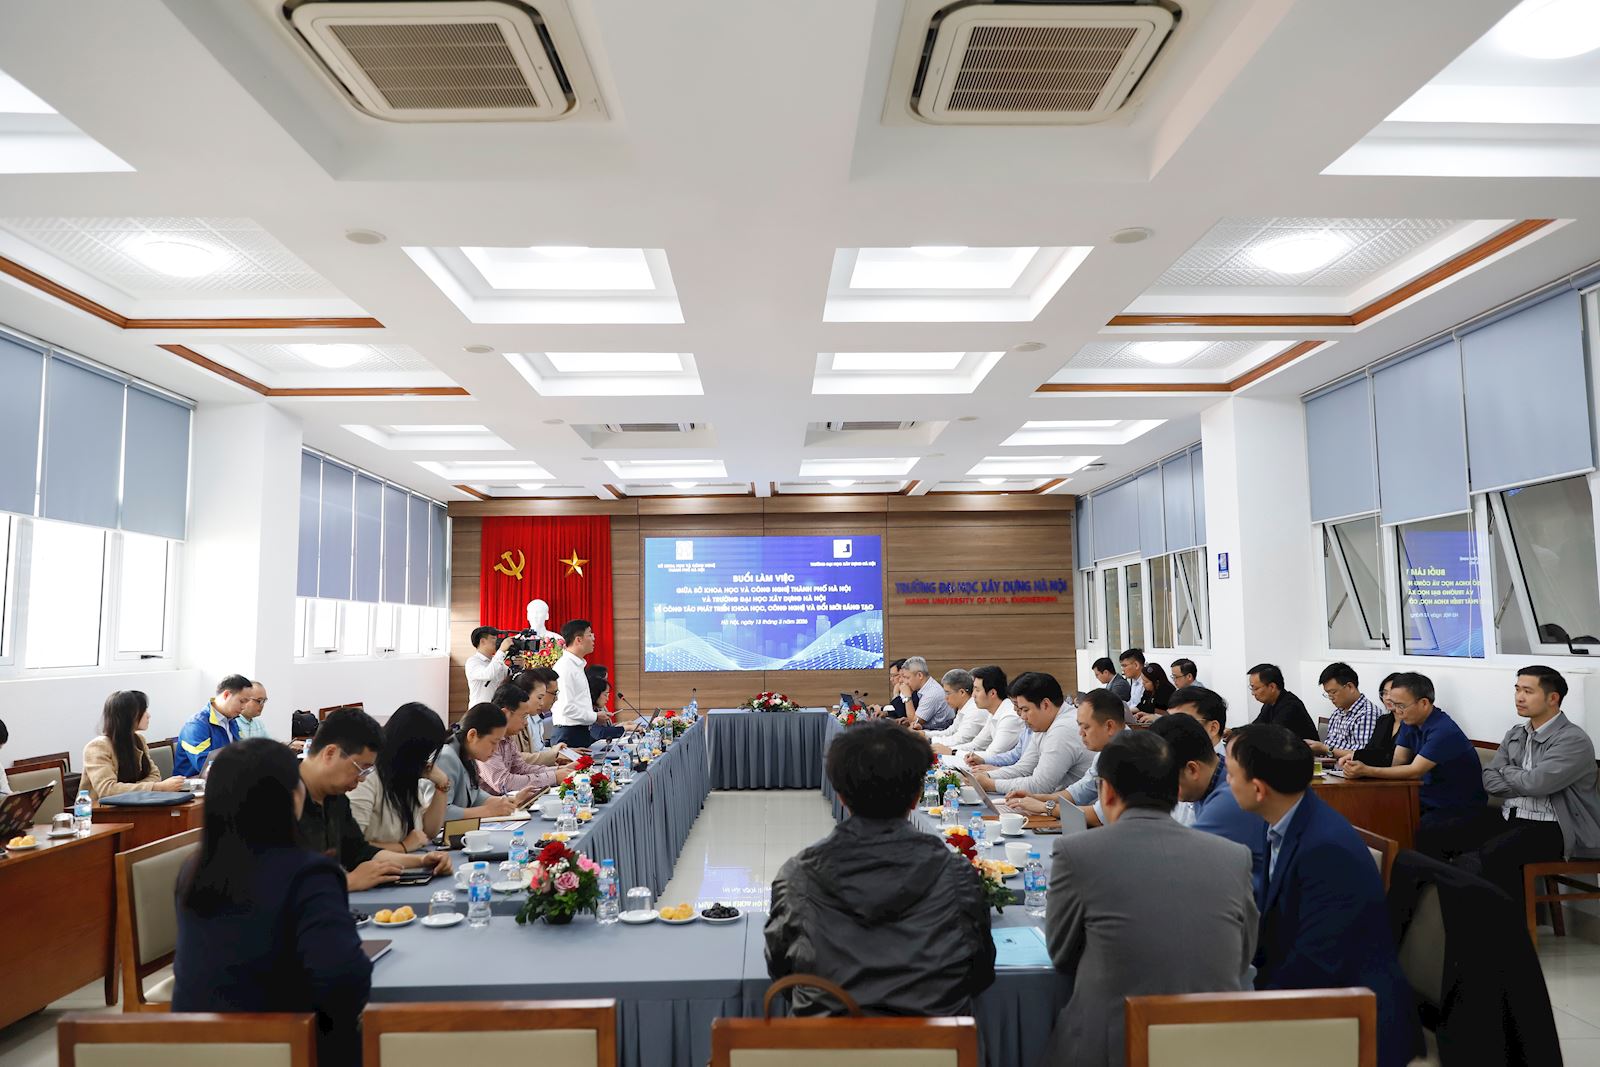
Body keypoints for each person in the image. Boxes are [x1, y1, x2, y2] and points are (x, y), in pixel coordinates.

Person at [1044, 731, 1258, 1067]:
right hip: (1213, 1046)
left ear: (1107, 791)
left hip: (1113, 1046)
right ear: (1176, 790)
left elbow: (1061, 955)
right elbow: (1243, 954)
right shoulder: (1233, 856)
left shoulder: (1077, 852)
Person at [766, 720, 995, 1015]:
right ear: (917, 796)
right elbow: (979, 972)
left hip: (828, 1039)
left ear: (840, 796)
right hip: (932, 1041)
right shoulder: (956, 875)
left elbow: (782, 972)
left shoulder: (798, 876)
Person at [173, 739, 372, 1066]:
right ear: (292, 797)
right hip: (286, 1045)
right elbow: (345, 980)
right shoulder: (308, 874)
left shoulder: (193, 871)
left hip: (197, 1047)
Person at [1229, 724, 1418, 1067]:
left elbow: (1317, 962)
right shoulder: (1281, 820)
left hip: (1352, 1017)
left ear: (1258, 789)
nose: (1226, 784)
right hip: (1311, 988)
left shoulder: (1325, 848)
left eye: (1230, 774)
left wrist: (1247, 1012)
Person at [1419, 666, 1600, 908]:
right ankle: (1440, 911)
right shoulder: (1516, 733)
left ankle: (1509, 926)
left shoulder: (1572, 740)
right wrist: (1522, 778)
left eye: (1528, 691)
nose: (1519, 697)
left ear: (1552, 698)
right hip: (1512, 816)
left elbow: (1537, 784)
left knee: (1492, 854)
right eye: (1517, 690)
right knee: (1435, 831)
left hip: (1556, 827)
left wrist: (1507, 771)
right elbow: (1490, 781)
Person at [296, 708, 450, 890]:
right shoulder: (281, 794)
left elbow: (360, 852)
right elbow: (276, 878)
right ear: (330, 753)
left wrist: (422, 861)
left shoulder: (335, 799)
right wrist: (348, 881)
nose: (362, 778)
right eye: (361, 768)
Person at [1150, 713, 1267, 904]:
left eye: (1167, 782)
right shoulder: (1216, 778)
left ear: (1192, 769)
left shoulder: (1228, 800)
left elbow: (1176, 868)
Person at [1340, 672, 1486, 826]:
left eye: (1401, 706)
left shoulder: (1443, 730)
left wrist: (1366, 770)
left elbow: (1415, 771)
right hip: (1424, 797)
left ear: (1424, 703)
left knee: (1407, 826)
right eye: (1395, 705)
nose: (1397, 711)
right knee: (1366, 808)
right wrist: (1360, 761)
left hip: (1456, 806)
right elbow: (1398, 761)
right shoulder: (1409, 722)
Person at [1005, 688, 1126, 827]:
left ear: (1109, 726)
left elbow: (1100, 816)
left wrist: (1046, 807)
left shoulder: (1129, 757)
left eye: (1086, 727)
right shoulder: (1104, 753)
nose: (1080, 733)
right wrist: (1035, 798)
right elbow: (1076, 793)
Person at [348, 703, 451, 852]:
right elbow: (351, 847)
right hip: (378, 864)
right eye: (425, 753)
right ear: (410, 751)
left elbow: (428, 832)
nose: (427, 760)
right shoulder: (367, 779)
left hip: (407, 861)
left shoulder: (405, 778)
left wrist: (442, 784)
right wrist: (403, 847)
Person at [973, 672, 1092, 796]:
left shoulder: (1063, 729)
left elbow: (1040, 785)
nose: (1022, 717)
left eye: (1026, 710)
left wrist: (991, 784)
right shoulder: (1044, 724)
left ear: (1045, 705)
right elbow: (1024, 768)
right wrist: (986, 776)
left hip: (1071, 806)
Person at [435, 702, 540, 820]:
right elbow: (439, 813)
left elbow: (475, 794)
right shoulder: (446, 758)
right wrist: (488, 811)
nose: (495, 749)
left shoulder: (468, 754)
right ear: (472, 735)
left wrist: (509, 801)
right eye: (493, 742)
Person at [83, 690, 187, 799]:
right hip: (101, 808)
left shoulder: (139, 739)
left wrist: (134, 788)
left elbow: (155, 775)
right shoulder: (98, 746)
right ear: (129, 715)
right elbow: (107, 789)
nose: (148, 715)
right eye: (144, 710)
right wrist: (157, 787)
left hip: (136, 803)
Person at [480, 685, 570, 795]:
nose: (526, 723)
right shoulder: (486, 740)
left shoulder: (507, 738)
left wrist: (559, 770)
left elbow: (521, 769)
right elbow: (504, 783)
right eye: (524, 716)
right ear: (505, 714)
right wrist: (554, 777)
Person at [173, 674, 249, 777]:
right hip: (194, 783)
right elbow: (204, 766)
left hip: (225, 779)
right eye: (242, 701)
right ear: (226, 695)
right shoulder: (196, 725)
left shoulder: (232, 721)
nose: (244, 707)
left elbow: (241, 753)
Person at [942, 666, 1022, 761]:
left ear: (992, 693)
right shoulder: (993, 712)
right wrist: (948, 750)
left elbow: (992, 755)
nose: (973, 695)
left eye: (977, 690)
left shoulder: (1009, 717)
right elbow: (976, 745)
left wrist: (952, 752)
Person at [1308, 662, 1379, 757]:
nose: (1330, 697)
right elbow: (1329, 745)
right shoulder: (1337, 713)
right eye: (1328, 694)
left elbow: (1361, 755)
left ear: (1350, 687)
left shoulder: (1367, 714)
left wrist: (1324, 749)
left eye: (1333, 692)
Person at [551, 619, 601, 746]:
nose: (593, 638)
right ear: (578, 640)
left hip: (579, 731)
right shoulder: (565, 667)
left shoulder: (577, 665)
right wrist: (595, 717)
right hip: (569, 733)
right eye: (589, 635)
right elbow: (566, 707)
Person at [1247, 664, 1317, 741]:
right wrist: (1237, 733)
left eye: (1255, 688)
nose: (1253, 693)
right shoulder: (1269, 703)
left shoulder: (1291, 706)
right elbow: (1255, 727)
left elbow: (1272, 735)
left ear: (1272, 687)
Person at [1349, 672, 1402, 768]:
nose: (1387, 698)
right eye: (1385, 693)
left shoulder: (1412, 723)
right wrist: (1354, 758)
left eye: (1392, 693)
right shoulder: (1383, 720)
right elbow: (1371, 750)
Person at [926, 670, 986, 748]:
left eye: (948, 693)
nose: (945, 698)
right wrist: (925, 734)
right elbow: (951, 732)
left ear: (962, 692)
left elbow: (959, 740)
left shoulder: (974, 711)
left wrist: (929, 740)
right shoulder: (963, 707)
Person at [1168, 685, 1229, 758]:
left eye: (1182, 723)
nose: (1170, 730)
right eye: (1169, 722)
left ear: (1213, 728)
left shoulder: (1230, 764)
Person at [465, 626, 515, 708]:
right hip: (480, 710)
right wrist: (501, 651)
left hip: (496, 708)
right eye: (493, 638)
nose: (497, 641)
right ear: (482, 641)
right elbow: (488, 674)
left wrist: (517, 665)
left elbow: (509, 676)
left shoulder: (497, 661)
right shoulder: (473, 662)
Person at [903, 656, 954, 732]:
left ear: (920, 675)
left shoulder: (931, 693)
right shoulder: (927, 688)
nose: (905, 682)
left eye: (907, 678)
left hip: (938, 734)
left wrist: (907, 697)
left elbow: (913, 723)